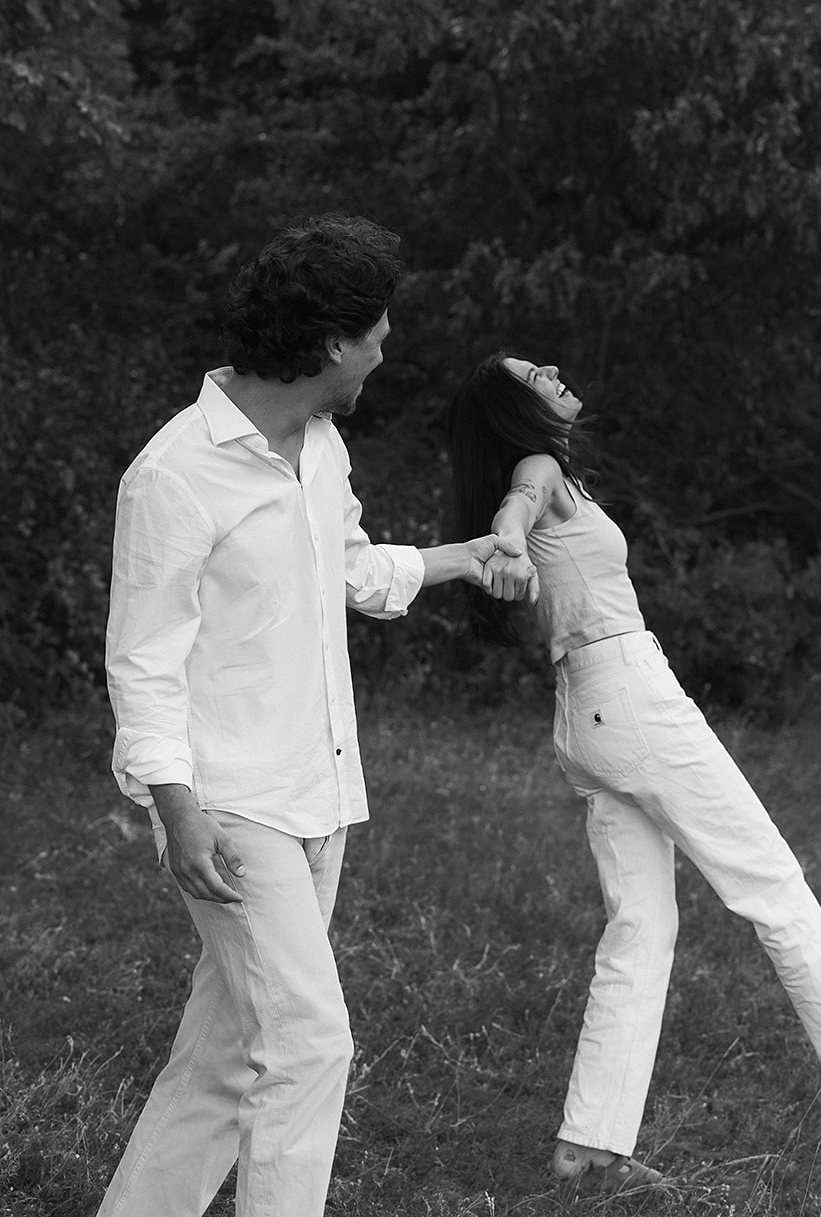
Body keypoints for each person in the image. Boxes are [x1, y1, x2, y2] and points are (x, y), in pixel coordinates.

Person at [98, 216, 536, 1217]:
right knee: (306, 1042)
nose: (386, 350)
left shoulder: (321, 445)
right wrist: (177, 808)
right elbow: (144, 662)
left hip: (317, 791)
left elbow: (347, 568)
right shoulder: (172, 475)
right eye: (377, 333)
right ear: (333, 341)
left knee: (227, 1055)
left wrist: (463, 555)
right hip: (229, 806)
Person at [448, 351, 821, 1198]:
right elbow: (521, 499)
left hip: (586, 710)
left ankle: (589, 1150)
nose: (551, 368)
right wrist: (504, 531)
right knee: (773, 883)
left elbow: (529, 532)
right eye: (532, 372)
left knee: (639, 929)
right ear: (515, 410)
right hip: (628, 700)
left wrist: (511, 542)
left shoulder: (550, 480)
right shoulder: (535, 471)